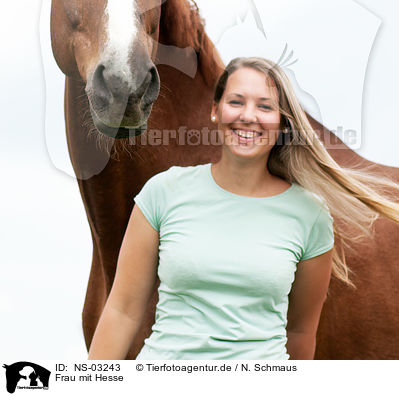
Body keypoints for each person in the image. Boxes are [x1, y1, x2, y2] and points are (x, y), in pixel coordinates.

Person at [88, 57, 399, 360]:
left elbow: (301, 334)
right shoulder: (163, 193)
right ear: (215, 110)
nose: (249, 116)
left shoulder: (310, 215)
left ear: (282, 123)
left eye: (265, 106)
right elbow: (122, 311)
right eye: (236, 102)